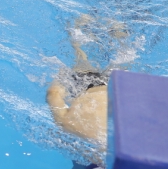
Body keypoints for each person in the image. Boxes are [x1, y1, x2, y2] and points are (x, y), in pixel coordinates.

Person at [46, 17, 118, 148]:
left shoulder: (130, 133)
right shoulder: (71, 126)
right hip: (83, 87)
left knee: (122, 56)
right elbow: (53, 93)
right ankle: (78, 28)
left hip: (116, 88)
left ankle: (116, 28)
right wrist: (62, 77)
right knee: (80, 55)